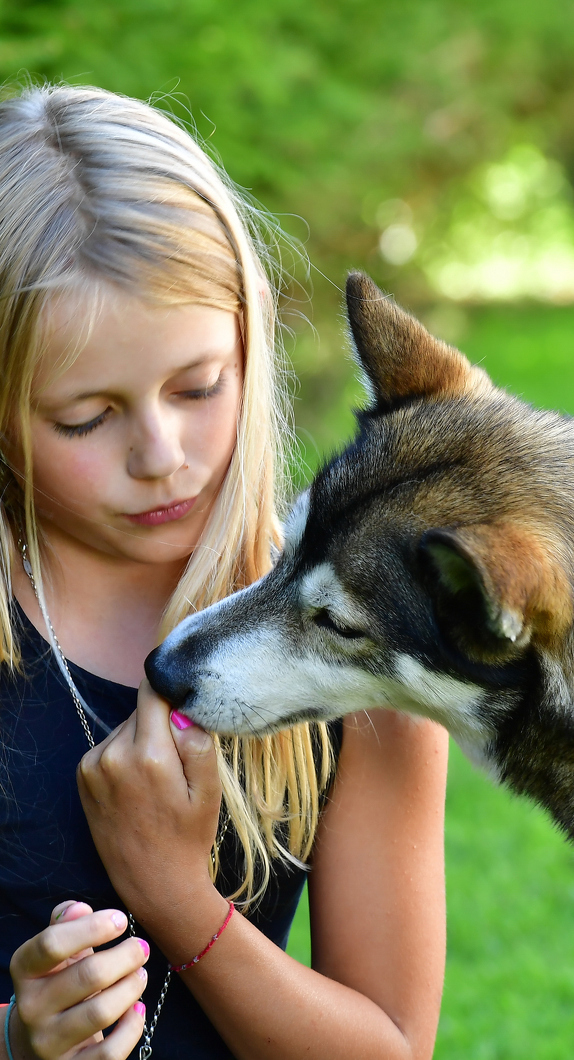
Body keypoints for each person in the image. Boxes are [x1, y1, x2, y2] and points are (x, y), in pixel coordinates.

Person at [0, 84, 448, 1060]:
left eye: (199, 386)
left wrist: (173, 896)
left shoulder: (358, 638)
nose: (161, 453)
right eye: (86, 417)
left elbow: (388, 1046)